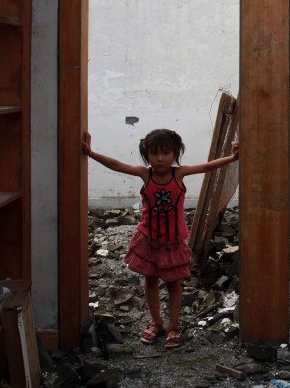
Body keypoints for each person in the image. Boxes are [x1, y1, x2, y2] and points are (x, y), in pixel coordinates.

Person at [82, 128, 240, 349]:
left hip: (172, 242)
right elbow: (117, 165)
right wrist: (90, 153)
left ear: (175, 153)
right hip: (150, 240)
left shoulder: (180, 174)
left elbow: (208, 166)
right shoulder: (145, 174)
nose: (160, 159)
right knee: (151, 280)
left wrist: (233, 158)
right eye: (154, 153)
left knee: (174, 284)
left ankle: (173, 326)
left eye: (165, 153)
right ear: (146, 155)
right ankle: (156, 322)